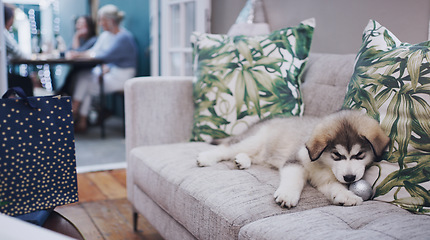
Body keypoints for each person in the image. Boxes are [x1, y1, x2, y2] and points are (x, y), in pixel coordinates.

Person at [66, 4, 138, 132]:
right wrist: (81, 54)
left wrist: (80, 54)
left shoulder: (123, 37)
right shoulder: (107, 35)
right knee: (84, 78)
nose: (100, 23)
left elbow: (104, 56)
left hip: (121, 76)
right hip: (110, 72)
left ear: (110, 21)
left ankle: (74, 114)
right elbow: (95, 51)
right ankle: (80, 119)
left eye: (102, 20)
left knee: (84, 80)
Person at [59, 15, 97, 96]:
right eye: (78, 23)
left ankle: (64, 94)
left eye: (82, 23)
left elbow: (75, 54)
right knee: (73, 72)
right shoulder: (80, 38)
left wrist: (76, 36)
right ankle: (63, 94)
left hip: (88, 69)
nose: (78, 26)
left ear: (89, 25)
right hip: (77, 67)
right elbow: (67, 53)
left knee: (75, 72)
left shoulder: (93, 40)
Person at [4, 3, 36, 96]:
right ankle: (30, 109)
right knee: (26, 82)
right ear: (9, 19)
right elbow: (18, 53)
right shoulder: (3, 33)